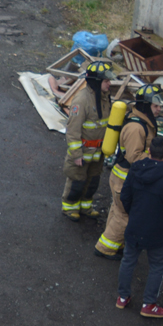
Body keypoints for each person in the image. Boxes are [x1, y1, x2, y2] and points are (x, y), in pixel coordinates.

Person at [95, 82, 162, 260]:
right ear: (146, 105)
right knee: (124, 216)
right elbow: (134, 157)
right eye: (156, 106)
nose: (159, 109)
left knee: (118, 211)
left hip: (124, 178)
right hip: (125, 179)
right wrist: (158, 158)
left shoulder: (143, 122)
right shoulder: (136, 128)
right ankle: (104, 248)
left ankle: (112, 243)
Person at [117, 136, 163, 318]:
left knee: (128, 260)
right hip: (158, 229)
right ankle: (149, 304)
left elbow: (125, 196)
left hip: (136, 224)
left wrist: (133, 213)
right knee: (157, 266)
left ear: (148, 151)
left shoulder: (136, 169)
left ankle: (122, 297)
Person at [60, 60, 114, 221]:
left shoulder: (104, 97)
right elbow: (73, 130)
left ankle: (85, 207)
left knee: (92, 183)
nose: (109, 84)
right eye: (106, 81)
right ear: (97, 82)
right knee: (77, 182)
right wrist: (76, 154)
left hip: (98, 152)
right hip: (83, 152)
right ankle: (69, 208)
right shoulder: (82, 101)